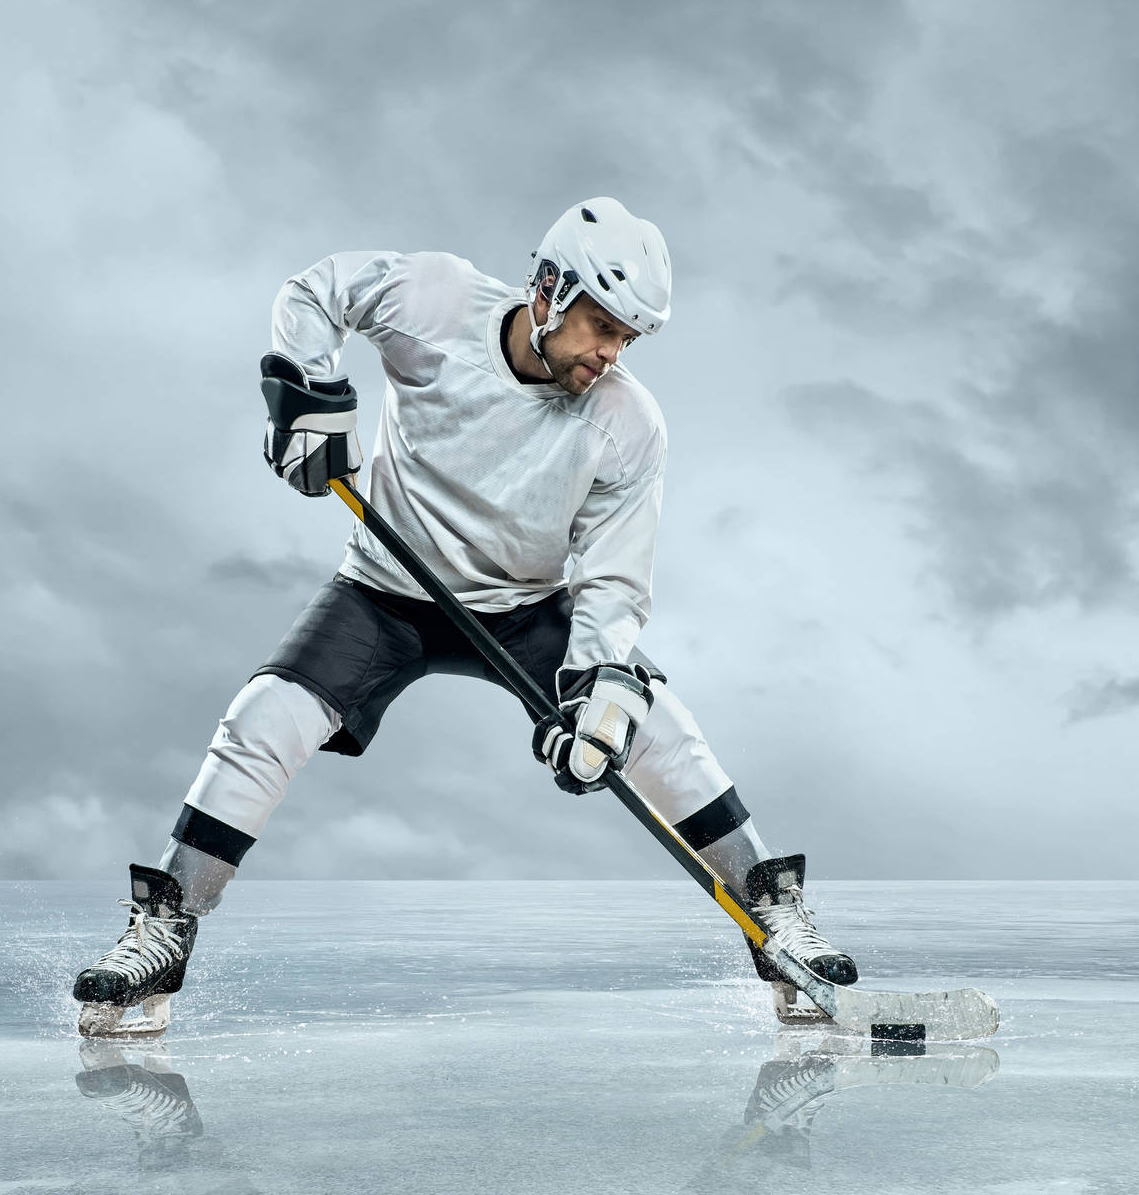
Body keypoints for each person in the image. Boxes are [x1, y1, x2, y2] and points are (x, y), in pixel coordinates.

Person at [72, 198, 856, 1037]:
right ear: (549, 288)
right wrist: (304, 389)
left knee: (655, 728)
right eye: (600, 325)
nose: (608, 353)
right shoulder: (435, 303)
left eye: (626, 338)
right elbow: (315, 291)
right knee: (266, 718)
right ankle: (162, 930)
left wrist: (600, 694)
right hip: (382, 589)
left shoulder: (629, 426)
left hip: (526, 610)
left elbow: (614, 583)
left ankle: (777, 928)